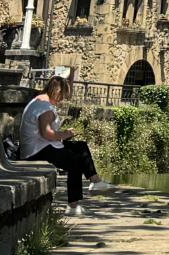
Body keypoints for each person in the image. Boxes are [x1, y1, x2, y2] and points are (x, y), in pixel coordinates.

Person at [19, 76, 112, 215]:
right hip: (36, 151)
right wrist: (65, 134)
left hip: (39, 146)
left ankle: (95, 181)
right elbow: (46, 133)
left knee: (80, 146)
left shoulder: (39, 100)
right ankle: (73, 206)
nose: (62, 99)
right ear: (57, 91)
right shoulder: (45, 107)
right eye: (62, 95)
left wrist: (63, 135)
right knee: (75, 161)